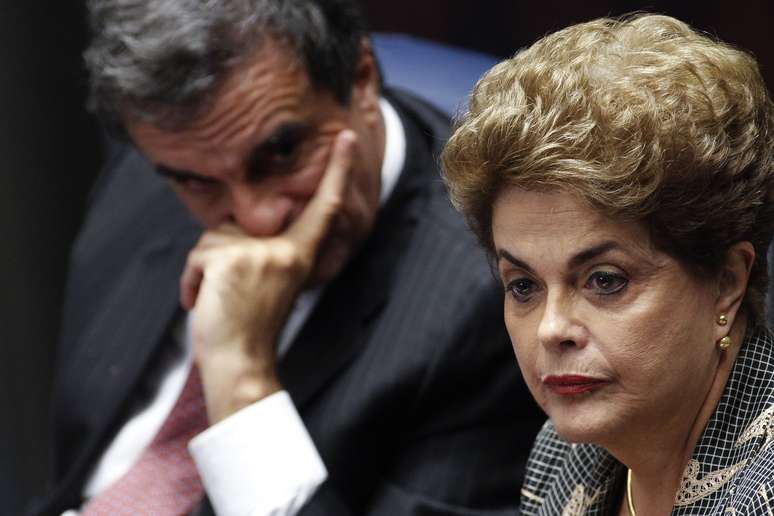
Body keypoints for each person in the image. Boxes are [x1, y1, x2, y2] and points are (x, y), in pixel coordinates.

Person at [28, 1, 546, 515]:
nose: (257, 219)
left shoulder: (494, 292)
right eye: (198, 183)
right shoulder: (168, 161)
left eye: (282, 154)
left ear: (361, 78)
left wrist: (240, 373)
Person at [442, 13, 774, 515]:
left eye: (605, 281)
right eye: (524, 286)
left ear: (726, 282)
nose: (552, 330)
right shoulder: (561, 458)